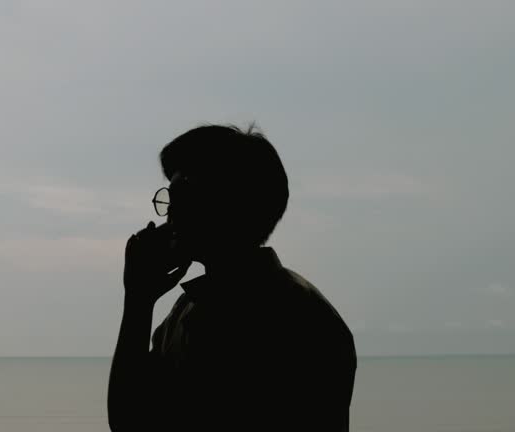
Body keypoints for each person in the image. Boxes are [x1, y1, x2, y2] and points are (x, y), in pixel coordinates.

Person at [107, 124, 356, 431]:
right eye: (168, 200)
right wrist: (138, 299)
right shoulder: (187, 310)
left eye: (181, 195)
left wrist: (137, 301)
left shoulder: (294, 319)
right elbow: (128, 420)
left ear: (226, 200)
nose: (169, 215)